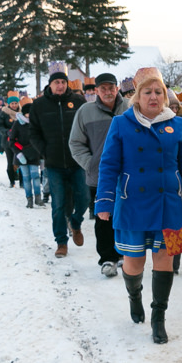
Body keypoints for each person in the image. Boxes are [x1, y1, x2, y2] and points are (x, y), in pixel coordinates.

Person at [95, 67, 182, 344]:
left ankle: (158, 316)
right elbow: (109, 164)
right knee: (134, 262)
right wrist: (105, 200)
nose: (153, 96)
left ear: (165, 95)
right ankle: (134, 297)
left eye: (158, 91)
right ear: (137, 96)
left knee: (165, 261)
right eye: (147, 92)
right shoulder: (121, 123)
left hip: (168, 204)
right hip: (132, 202)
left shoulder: (177, 124)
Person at [69, 73, 127, 278]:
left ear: (117, 88)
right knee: (103, 215)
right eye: (103, 88)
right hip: (101, 175)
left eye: (111, 87)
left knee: (126, 213)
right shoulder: (86, 111)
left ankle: (124, 253)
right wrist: (91, 164)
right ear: (96, 91)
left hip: (129, 173)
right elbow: (75, 143)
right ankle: (107, 258)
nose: (108, 92)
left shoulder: (130, 107)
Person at [30, 62, 89, 258]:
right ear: (50, 84)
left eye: (63, 82)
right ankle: (61, 242)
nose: (60, 86)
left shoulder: (79, 101)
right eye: (56, 82)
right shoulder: (39, 105)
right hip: (54, 163)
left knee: (84, 198)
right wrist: (45, 151)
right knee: (58, 204)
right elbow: (34, 133)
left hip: (77, 162)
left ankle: (75, 222)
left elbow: (87, 128)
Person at [10, 98, 43, 208]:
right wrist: (19, 153)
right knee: (26, 177)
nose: (29, 115)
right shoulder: (18, 124)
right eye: (27, 113)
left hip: (34, 154)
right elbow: (12, 140)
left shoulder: (36, 123)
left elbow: (41, 138)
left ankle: (38, 198)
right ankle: (29, 199)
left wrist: (41, 153)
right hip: (22, 155)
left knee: (35, 176)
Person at [0, 91, 20, 188]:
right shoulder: (4, 113)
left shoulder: (21, 113)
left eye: (16, 103)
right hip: (8, 141)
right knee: (10, 161)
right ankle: (12, 181)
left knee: (21, 161)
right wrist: (7, 132)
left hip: (20, 141)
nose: (14, 105)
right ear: (9, 104)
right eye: (12, 103)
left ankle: (22, 181)